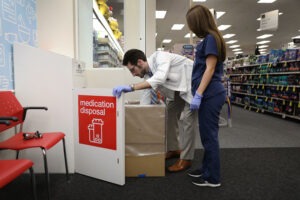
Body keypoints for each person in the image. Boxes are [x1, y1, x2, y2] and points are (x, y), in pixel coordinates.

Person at [112, 49, 197, 172]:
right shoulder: (148, 75)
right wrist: (138, 120)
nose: (133, 74)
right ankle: (173, 149)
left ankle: (186, 159)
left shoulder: (160, 57)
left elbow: (160, 78)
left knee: (189, 120)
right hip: (178, 88)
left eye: (132, 70)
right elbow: (145, 100)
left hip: (192, 83)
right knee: (170, 113)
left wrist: (131, 87)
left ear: (140, 62)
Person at [185, 5, 226, 187]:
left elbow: (209, 69)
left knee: (209, 136)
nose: (191, 28)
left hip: (210, 94)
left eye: (192, 24)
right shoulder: (210, 39)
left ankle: (213, 178)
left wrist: (199, 94)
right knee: (207, 135)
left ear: (198, 22)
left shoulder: (210, 38)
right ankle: (206, 168)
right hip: (209, 94)